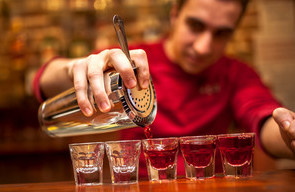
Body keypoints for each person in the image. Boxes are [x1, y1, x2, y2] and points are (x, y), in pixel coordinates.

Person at [32, 0, 295, 178]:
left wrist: (288, 136)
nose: (203, 47)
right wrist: (71, 69)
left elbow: (263, 116)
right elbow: (42, 82)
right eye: (196, 26)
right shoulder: (128, 64)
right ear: (174, 16)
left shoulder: (236, 74)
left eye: (221, 34)